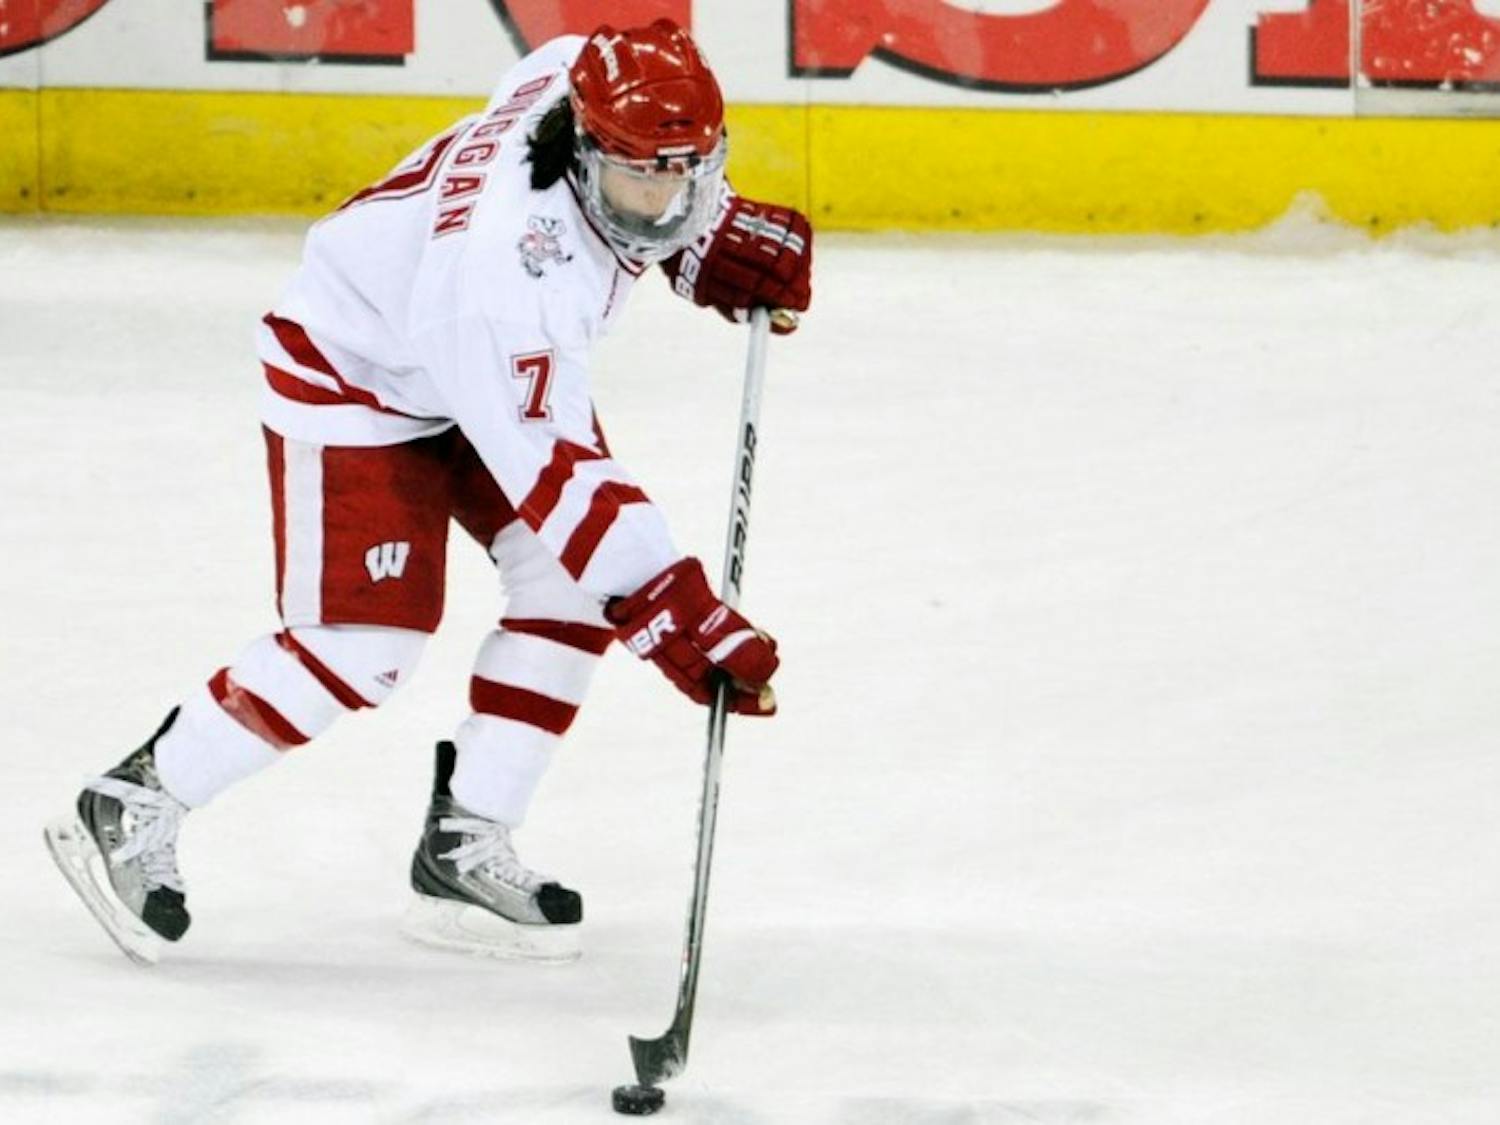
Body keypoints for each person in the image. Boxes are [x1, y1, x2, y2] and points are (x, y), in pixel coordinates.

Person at [44, 20, 813, 966]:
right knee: (366, 641)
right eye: (637, 178)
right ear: (582, 151)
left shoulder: (571, 81)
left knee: (570, 591)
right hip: (355, 369)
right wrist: (677, 607)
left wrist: (702, 238)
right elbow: (563, 477)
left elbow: (610, 107)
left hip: (453, 358)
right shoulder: (504, 278)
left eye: (684, 175)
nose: (661, 200)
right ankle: (133, 798)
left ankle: (466, 839)